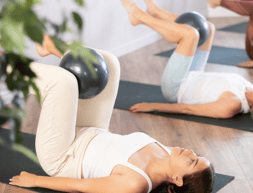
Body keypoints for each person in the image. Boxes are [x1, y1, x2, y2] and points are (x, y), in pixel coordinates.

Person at [9, 35, 215, 193]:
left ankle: (6, 64)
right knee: (110, 63)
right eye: (196, 155)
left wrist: (35, 181)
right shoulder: (167, 153)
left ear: (177, 179)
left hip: (63, 155)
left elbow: (81, 187)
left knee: (64, 82)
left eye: (192, 161)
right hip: (92, 129)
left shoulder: (135, 183)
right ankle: (54, 48)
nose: (190, 152)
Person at [124, 0, 253, 120]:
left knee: (191, 35)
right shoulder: (248, 88)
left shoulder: (232, 105)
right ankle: (158, 13)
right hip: (194, 74)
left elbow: (188, 109)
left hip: (176, 87)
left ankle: (140, 17)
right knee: (209, 28)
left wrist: (151, 106)